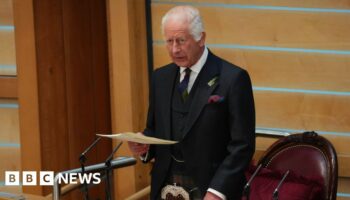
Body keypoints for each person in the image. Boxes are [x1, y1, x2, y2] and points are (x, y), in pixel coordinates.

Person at [128, 5, 255, 200]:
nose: (174, 49)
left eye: (181, 41)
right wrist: (144, 145)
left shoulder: (233, 79)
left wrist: (217, 191)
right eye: (169, 41)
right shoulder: (160, 78)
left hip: (209, 190)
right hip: (165, 188)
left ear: (201, 38)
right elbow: (154, 130)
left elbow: (242, 145)